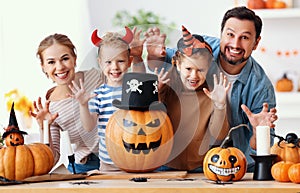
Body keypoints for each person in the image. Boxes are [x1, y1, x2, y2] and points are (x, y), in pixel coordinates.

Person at [144, 6, 278, 172]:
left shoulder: (260, 87)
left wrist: (259, 132)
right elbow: (166, 61)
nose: (235, 44)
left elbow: (262, 149)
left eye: (244, 37)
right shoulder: (202, 48)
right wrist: (154, 55)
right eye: (230, 34)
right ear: (221, 34)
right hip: (171, 159)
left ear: (256, 42)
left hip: (231, 166)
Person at [155, 26, 230, 172]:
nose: (194, 76)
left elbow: (218, 135)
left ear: (208, 68)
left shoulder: (211, 94)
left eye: (200, 70)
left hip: (200, 167)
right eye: (188, 69)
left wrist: (220, 105)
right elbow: (153, 123)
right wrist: (155, 93)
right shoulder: (165, 88)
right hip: (164, 166)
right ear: (177, 65)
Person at [31, 33, 103, 174]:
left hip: (120, 157)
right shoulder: (50, 108)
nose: (60, 67)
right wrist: (44, 127)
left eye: (65, 59)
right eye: (51, 62)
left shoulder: (96, 76)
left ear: (74, 59)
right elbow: (51, 160)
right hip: (86, 166)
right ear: (43, 67)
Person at [68, 27, 135, 172]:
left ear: (129, 61)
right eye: (108, 62)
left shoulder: (135, 91)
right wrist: (83, 105)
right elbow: (88, 126)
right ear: (100, 63)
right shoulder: (97, 95)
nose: (115, 67)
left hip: (135, 160)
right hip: (108, 163)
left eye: (120, 61)